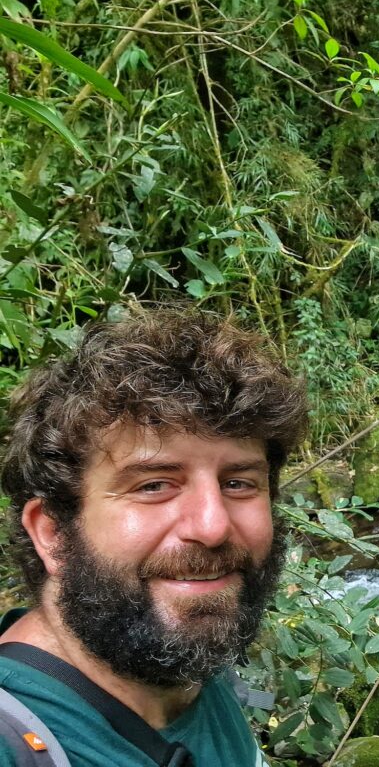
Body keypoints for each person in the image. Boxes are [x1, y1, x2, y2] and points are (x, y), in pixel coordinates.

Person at [0, 308, 308, 766]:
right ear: (52, 533)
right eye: (153, 485)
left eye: (238, 482)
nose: (212, 527)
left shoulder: (182, 659)